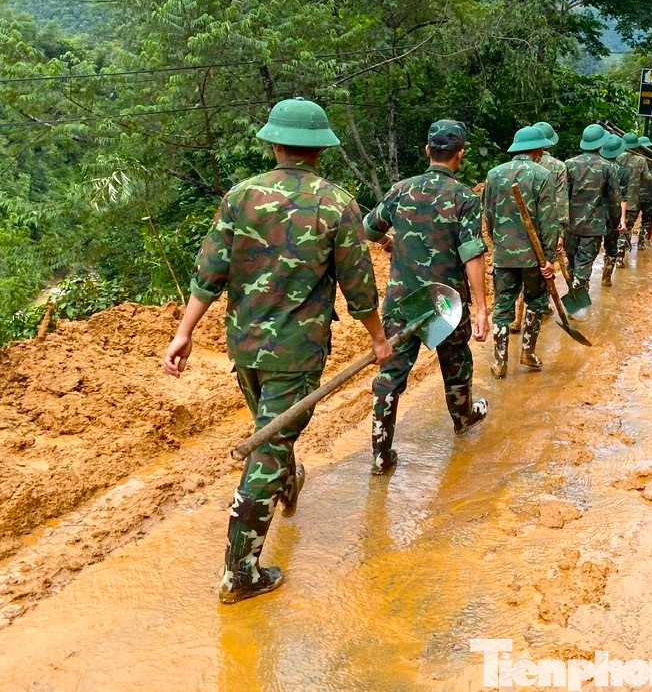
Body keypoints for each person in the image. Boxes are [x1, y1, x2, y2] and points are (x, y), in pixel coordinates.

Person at [162, 97, 392, 605]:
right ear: (320, 149)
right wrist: (378, 338)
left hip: (244, 346)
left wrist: (184, 332)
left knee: (270, 432)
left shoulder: (240, 197)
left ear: (274, 143)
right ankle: (239, 574)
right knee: (268, 448)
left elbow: (209, 273)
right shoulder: (337, 204)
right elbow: (359, 288)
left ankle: (286, 480)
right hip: (296, 351)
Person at [363, 120, 490, 475]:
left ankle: (380, 453)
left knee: (391, 375)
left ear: (427, 151)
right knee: (456, 363)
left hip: (403, 301)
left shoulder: (400, 190)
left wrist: (389, 242)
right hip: (446, 302)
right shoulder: (464, 197)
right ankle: (463, 418)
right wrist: (481, 308)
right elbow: (472, 253)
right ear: (460, 155)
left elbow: (369, 228)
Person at [483, 126, 558, 378]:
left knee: (502, 307)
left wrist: (498, 244)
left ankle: (499, 361)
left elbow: (489, 215)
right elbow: (549, 222)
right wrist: (550, 259)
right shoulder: (542, 175)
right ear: (537, 149)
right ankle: (528, 352)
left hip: (504, 255)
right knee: (536, 302)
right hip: (533, 258)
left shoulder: (494, 175)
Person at [507, 120, 569, 334]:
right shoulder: (557, 167)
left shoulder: (510, 169)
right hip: (543, 228)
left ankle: (517, 319)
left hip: (514, 232)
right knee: (538, 275)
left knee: (519, 277)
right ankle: (537, 311)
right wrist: (559, 232)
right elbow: (559, 202)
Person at [564, 123, 623, 294]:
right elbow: (614, 200)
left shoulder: (569, 165)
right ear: (601, 144)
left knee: (572, 262)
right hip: (594, 226)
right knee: (584, 263)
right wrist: (614, 222)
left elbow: (561, 197)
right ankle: (578, 302)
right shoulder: (608, 167)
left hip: (570, 225)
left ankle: (573, 294)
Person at [616, 132, 652, 265]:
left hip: (616, 200)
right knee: (627, 227)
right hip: (631, 200)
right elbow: (648, 178)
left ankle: (617, 253)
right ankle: (620, 257)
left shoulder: (617, 157)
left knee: (618, 227)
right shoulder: (640, 160)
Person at [599, 134, 629, 286]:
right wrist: (622, 220)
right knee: (611, 246)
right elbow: (622, 198)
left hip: (595, 216)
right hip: (613, 215)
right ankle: (606, 276)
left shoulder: (597, 166)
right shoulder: (623, 171)